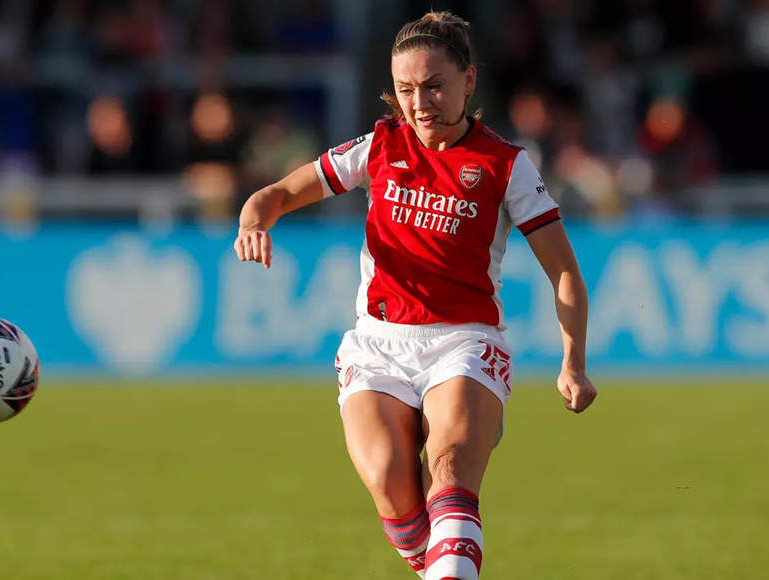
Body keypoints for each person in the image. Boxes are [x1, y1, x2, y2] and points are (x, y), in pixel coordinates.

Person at [233, 11, 596, 580]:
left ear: (468, 82)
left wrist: (573, 362)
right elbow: (276, 193)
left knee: (449, 472)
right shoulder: (379, 147)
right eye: (406, 90)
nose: (419, 103)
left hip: (464, 343)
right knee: (389, 484)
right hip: (377, 345)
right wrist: (254, 220)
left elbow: (565, 273)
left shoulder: (506, 166)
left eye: (433, 86)